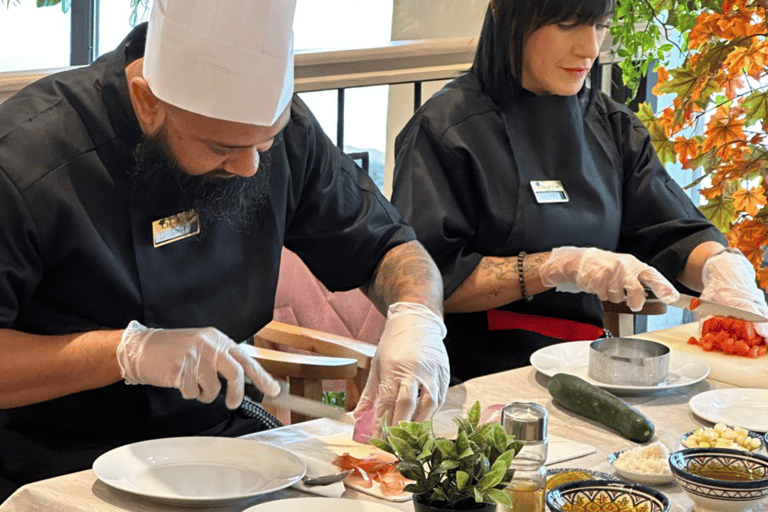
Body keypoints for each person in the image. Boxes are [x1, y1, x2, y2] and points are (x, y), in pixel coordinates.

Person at [0, 0, 449, 500]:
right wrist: (130, 353)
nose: (250, 169)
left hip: (225, 449)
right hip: (53, 465)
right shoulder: (24, 162)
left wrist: (417, 319)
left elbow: (390, 245)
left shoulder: (272, 135)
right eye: (221, 149)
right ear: (147, 101)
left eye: (266, 144)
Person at [390, 0, 768, 383]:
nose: (590, 48)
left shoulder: (611, 126)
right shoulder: (446, 130)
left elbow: (673, 231)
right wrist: (556, 268)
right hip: (471, 379)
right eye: (570, 24)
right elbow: (428, 282)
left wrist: (719, 268)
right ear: (507, 15)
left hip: (586, 371)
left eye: (600, 25)